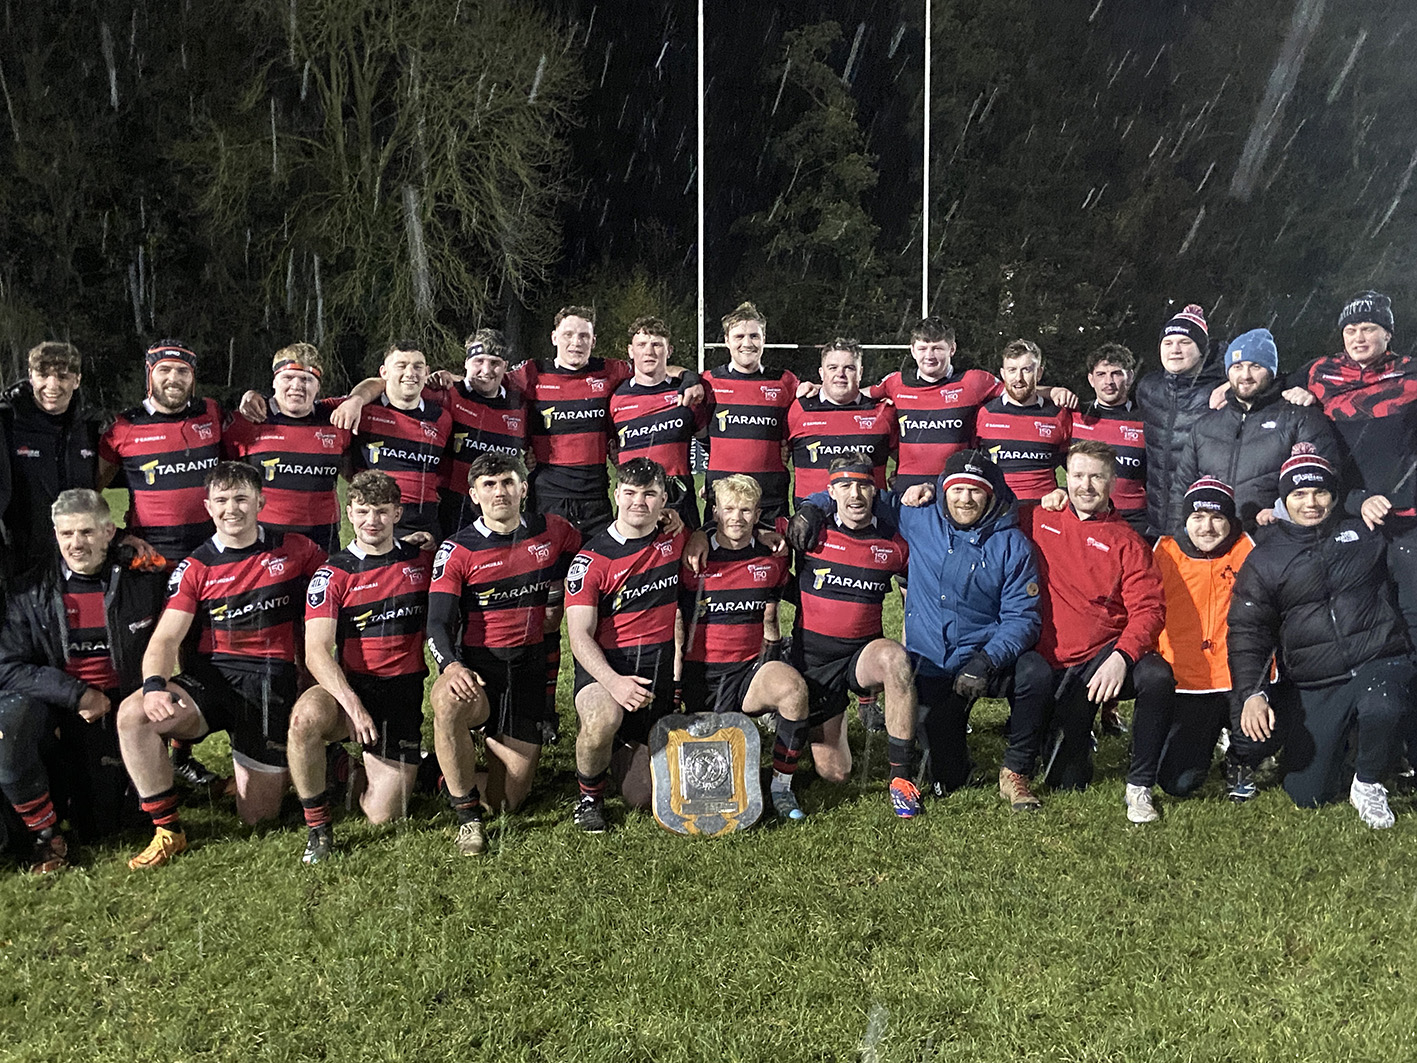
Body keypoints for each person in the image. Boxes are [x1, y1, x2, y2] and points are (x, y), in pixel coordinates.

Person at [114, 462, 325, 868]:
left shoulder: (296, 550)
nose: (232, 509)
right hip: (211, 682)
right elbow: (165, 638)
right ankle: (167, 829)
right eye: (223, 500)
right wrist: (154, 686)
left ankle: (311, 764)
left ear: (261, 502)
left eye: (242, 499)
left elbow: (342, 579)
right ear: (208, 506)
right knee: (133, 714)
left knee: (259, 818)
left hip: (270, 685)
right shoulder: (195, 567)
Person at [1229, 444, 1415, 828]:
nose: (1311, 503)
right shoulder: (1264, 558)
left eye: (1320, 492)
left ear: (1334, 495)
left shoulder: (1363, 532)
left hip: (1378, 657)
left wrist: (1361, 500)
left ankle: (1368, 782)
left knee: (1383, 704)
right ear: (1284, 499)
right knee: (1308, 794)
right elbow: (1248, 631)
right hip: (1317, 678)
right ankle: (1351, 745)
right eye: (1299, 494)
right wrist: (1251, 693)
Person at [861, 451, 1051, 808]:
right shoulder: (919, 517)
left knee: (1035, 672)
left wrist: (986, 660)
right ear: (943, 490)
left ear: (991, 495)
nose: (965, 499)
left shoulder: (1013, 545)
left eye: (976, 491)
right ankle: (955, 760)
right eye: (957, 489)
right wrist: (814, 507)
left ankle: (1017, 767)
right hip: (933, 663)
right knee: (947, 776)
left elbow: (1023, 617)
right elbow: (859, 496)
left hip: (986, 659)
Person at [0, 490, 167, 871]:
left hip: (120, 708)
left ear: (109, 532)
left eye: (87, 532)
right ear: (55, 534)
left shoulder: (143, 579)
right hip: (59, 710)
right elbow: (6, 666)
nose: (76, 543)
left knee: (103, 826)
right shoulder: (29, 590)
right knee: (9, 728)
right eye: (67, 534)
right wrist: (76, 695)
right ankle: (45, 835)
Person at [426, 453, 580, 853]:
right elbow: (437, 623)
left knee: (507, 802)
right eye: (489, 485)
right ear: (474, 495)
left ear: (523, 489)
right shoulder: (457, 549)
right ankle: (467, 818)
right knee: (447, 700)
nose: (500, 492)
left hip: (526, 673)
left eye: (508, 483)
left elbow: (598, 550)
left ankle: (436, 772)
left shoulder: (552, 531)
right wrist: (451, 666)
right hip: (478, 673)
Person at [286, 471, 432, 865]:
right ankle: (318, 827)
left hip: (401, 692)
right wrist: (351, 704)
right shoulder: (332, 574)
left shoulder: (422, 563)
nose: (372, 520)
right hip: (349, 688)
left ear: (397, 513)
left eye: (382, 511)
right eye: (363, 511)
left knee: (384, 817)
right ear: (349, 512)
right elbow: (316, 651)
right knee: (304, 719)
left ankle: (347, 770)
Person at [1024, 440, 1171, 814]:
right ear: (1065, 477)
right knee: (1066, 780)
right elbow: (984, 509)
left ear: (1113, 481)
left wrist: (1122, 656)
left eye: (1096, 477)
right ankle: (1072, 733)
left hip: (1105, 659)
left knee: (1157, 676)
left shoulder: (1129, 542)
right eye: (1077, 476)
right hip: (1056, 663)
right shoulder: (1039, 519)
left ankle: (1140, 783)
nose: (1085, 486)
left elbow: (1150, 609)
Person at [783, 454, 917, 814]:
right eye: (844, 486)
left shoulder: (894, 542)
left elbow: (913, 599)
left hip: (861, 656)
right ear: (831, 492)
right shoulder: (811, 531)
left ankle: (902, 778)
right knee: (836, 773)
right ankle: (815, 715)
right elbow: (756, 535)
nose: (854, 494)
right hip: (814, 660)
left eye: (863, 485)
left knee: (896, 660)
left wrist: (913, 649)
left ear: (875, 491)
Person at [1131, 478, 1273, 815]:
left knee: (1264, 731)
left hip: (1240, 677)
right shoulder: (1162, 550)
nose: (1207, 527)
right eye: (1197, 517)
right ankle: (1195, 741)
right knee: (1177, 782)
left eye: (1217, 517)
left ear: (1231, 520)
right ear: (1185, 520)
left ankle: (1240, 759)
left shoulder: (1251, 548)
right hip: (1188, 681)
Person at [564, 458, 687, 832]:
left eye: (649, 494)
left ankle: (621, 748)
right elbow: (578, 636)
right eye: (630, 492)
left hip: (655, 676)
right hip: (606, 674)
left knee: (641, 797)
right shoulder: (591, 559)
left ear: (663, 500)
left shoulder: (675, 538)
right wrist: (614, 683)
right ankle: (589, 799)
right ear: (616, 494)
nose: (639, 502)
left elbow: (719, 532)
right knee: (602, 718)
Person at [1284, 291, 1417, 628]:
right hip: (1345, 511)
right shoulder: (1320, 371)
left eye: (1368, 328)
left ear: (1387, 334)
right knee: (1361, 618)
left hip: (1404, 515)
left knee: (1411, 611)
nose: (1359, 338)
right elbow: (1263, 387)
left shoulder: (1410, 373)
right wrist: (1225, 389)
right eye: (1351, 330)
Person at [679, 475, 808, 819]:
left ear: (758, 514)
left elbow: (790, 601)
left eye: (746, 510)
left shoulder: (772, 559)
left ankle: (781, 787)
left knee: (793, 690)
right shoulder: (691, 557)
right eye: (729, 509)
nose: (737, 517)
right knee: (710, 771)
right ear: (715, 512)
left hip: (749, 672)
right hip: (700, 675)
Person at [1176, 328, 1336, 532]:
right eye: (1237, 366)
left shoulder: (1300, 417)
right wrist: (1179, 535)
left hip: (1274, 538)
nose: (1246, 375)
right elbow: (1181, 489)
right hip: (1216, 538)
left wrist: (1281, 512)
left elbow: (1325, 481)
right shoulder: (1205, 426)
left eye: (1256, 366)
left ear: (1271, 371)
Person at [222, 343, 354, 552]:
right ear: (274, 382)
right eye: (288, 377)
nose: (297, 386)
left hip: (322, 541)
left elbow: (381, 384)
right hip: (263, 542)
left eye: (307, 379)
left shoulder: (335, 417)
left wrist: (358, 399)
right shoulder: (247, 420)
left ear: (318, 387)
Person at [97, 339, 221, 561]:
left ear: (192, 377)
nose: (174, 378)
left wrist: (251, 397)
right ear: (149, 374)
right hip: (151, 558)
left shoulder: (210, 413)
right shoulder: (124, 427)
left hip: (211, 555)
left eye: (183, 371)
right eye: (164, 369)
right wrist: (117, 536)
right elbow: (89, 491)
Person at [0, 342, 106, 575]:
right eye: (43, 375)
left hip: (80, 561)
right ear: (31, 376)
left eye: (62, 376)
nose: (52, 385)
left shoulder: (90, 427)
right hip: (22, 565)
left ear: (77, 380)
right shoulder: (7, 422)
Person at [866, 316, 1002, 492]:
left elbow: (1018, 394)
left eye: (937, 348)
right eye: (922, 348)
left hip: (956, 489)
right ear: (913, 350)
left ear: (952, 349)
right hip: (907, 490)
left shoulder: (974, 381)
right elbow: (855, 395)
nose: (929, 356)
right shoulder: (897, 382)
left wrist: (1048, 393)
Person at [702, 302, 800, 522]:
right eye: (739, 337)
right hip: (724, 501)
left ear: (764, 339)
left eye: (754, 336)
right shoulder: (708, 382)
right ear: (727, 340)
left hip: (770, 499)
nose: (747, 343)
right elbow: (698, 430)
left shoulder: (785, 382)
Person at [1136, 303, 1225, 540]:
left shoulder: (1222, 392)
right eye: (1168, 343)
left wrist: (1231, 386)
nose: (1175, 350)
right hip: (1154, 520)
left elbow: (1270, 383)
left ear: (1202, 349)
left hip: (1203, 522)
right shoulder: (1149, 388)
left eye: (1185, 342)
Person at [428, 329, 529, 536]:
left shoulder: (518, 405)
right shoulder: (445, 394)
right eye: (479, 361)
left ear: (505, 367)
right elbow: (390, 386)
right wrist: (359, 399)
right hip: (450, 507)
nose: (486, 369)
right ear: (466, 363)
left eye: (495, 363)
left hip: (500, 508)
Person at [610, 316, 708, 529]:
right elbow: (608, 445)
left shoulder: (686, 395)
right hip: (635, 502)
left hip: (680, 500)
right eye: (641, 345)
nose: (649, 352)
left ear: (669, 350)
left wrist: (712, 481)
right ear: (630, 351)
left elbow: (711, 445)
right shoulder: (616, 398)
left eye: (657, 345)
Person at [352, 341, 451, 544]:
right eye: (401, 365)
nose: (410, 373)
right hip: (378, 520)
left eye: (417, 366)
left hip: (427, 523)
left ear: (426, 372)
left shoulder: (442, 417)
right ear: (384, 372)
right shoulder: (363, 411)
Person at [785, 339, 896, 507]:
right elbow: (778, 452)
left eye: (849, 368)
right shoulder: (798, 409)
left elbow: (907, 457)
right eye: (833, 368)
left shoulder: (883, 411)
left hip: (869, 516)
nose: (840, 374)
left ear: (860, 372)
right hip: (812, 517)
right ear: (821, 373)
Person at [974, 339, 1072, 502]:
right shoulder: (984, 414)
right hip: (999, 509)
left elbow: (1077, 469)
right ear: (1003, 374)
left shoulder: (1058, 416)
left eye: (1026, 370)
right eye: (1012, 370)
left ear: (1039, 373)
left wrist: (1064, 491)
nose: (1018, 378)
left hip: (1044, 508)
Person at [1069, 343, 1147, 534]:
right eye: (1101, 374)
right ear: (1091, 379)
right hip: (1085, 516)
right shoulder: (1075, 415)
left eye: (1116, 373)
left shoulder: (1146, 421)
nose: (1108, 381)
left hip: (1133, 520)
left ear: (1130, 377)